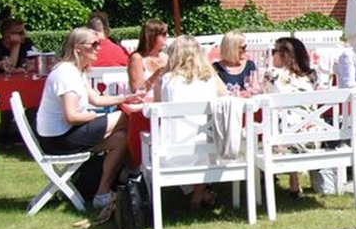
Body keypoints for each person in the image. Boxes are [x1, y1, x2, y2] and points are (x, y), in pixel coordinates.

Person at [36, 28, 141, 212]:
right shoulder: (66, 75)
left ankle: (102, 193)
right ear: (78, 48)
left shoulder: (77, 71)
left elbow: (97, 100)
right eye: (94, 44)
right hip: (61, 139)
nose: (99, 48)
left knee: (121, 138)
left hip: (64, 135)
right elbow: (72, 116)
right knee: (127, 117)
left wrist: (124, 99)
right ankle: (133, 170)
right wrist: (94, 117)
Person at [155, 35, 228, 209]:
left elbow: (156, 106)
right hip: (207, 147)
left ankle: (194, 193)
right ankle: (198, 194)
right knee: (202, 146)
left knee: (152, 136)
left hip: (171, 150)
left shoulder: (166, 80)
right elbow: (224, 94)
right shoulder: (209, 78)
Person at [264, 37, 320, 195]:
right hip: (313, 138)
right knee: (290, 122)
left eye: (274, 52)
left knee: (279, 125)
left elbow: (262, 98)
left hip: (284, 141)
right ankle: (294, 182)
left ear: (283, 55)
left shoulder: (272, 75)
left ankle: (264, 182)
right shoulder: (312, 76)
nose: (272, 55)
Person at [127, 19, 169, 94]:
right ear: (153, 37)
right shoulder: (137, 59)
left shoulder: (166, 57)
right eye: (164, 34)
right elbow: (137, 91)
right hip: (144, 103)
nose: (167, 36)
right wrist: (157, 73)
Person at [213, 30, 257, 94]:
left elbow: (255, 88)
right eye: (243, 47)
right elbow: (217, 92)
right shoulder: (216, 68)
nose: (246, 50)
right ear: (232, 49)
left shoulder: (249, 65)